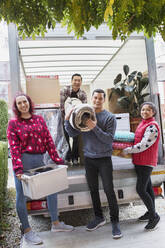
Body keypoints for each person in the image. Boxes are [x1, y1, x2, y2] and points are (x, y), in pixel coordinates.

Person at [7, 93, 74, 245]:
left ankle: (56, 224)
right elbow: (14, 147)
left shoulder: (39, 119)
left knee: (51, 189)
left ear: (29, 103)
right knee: (21, 196)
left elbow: (49, 141)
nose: (23, 105)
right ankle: (27, 231)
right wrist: (18, 169)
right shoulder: (13, 124)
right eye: (19, 103)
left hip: (40, 159)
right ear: (16, 107)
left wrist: (58, 160)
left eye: (25, 102)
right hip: (23, 161)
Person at [64, 89, 122, 239]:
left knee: (109, 191)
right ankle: (99, 218)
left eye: (100, 98)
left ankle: (115, 222)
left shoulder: (109, 118)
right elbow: (72, 133)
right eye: (95, 98)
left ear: (104, 100)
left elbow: (109, 140)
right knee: (93, 190)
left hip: (104, 159)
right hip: (89, 159)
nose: (97, 100)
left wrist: (94, 126)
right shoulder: (84, 114)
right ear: (91, 98)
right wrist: (67, 119)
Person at [123, 102, 160, 231]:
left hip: (146, 162)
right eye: (143, 109)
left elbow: (144, 144)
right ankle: (151, 212)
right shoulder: (142, 123)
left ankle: (154, 216)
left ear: (153, 112)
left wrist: (129, 150)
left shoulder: (152, 126)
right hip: (140, 161)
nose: (144, 112)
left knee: (141, 189)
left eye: (148, 110)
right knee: (148, 188)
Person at [60, 73, 87, 165]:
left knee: (76, 138)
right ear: (71, 81)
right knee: (66, 138)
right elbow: (61, 107)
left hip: (77, 120)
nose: (77, 82)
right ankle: (68, 157)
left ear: (81, 82)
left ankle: (75, 157)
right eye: (75, 80)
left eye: (79, 80)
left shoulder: (82, 94)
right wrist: (68, 117)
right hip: (65, 118)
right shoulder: (64, 90)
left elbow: (84, 108)